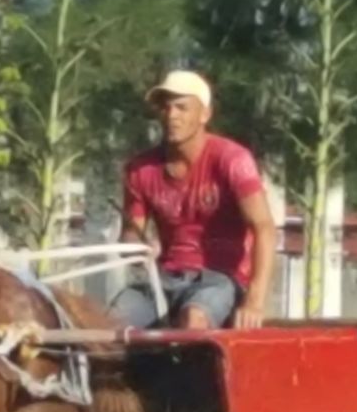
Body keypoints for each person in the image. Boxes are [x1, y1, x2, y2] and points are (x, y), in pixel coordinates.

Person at [111, 70, 279, 330]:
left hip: (219, 279)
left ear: (205, 115)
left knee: (194, 319)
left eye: (182, 107)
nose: (172, 115)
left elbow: (264, 228)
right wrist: (139, 248)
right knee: (107, 324)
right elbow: (130, 237)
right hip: (163, 279)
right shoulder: (139, 169)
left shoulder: (232, 160)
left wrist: (255, 301)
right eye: (166, 108)